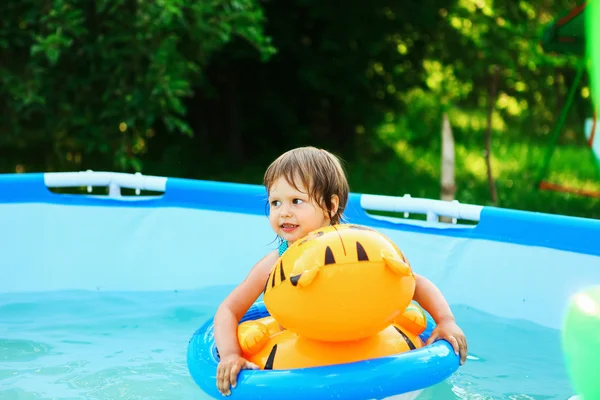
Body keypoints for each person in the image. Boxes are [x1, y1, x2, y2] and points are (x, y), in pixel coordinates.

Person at [214, 146, 467, 396]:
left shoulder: (353, 254)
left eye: (296, 201)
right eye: (275, 202)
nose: (284, 212)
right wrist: (230, 355)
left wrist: (446, 321)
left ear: (331, 205)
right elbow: (228, 310)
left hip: (369, 351)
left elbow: (414, 283)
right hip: (297, 360)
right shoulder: (274, 265)